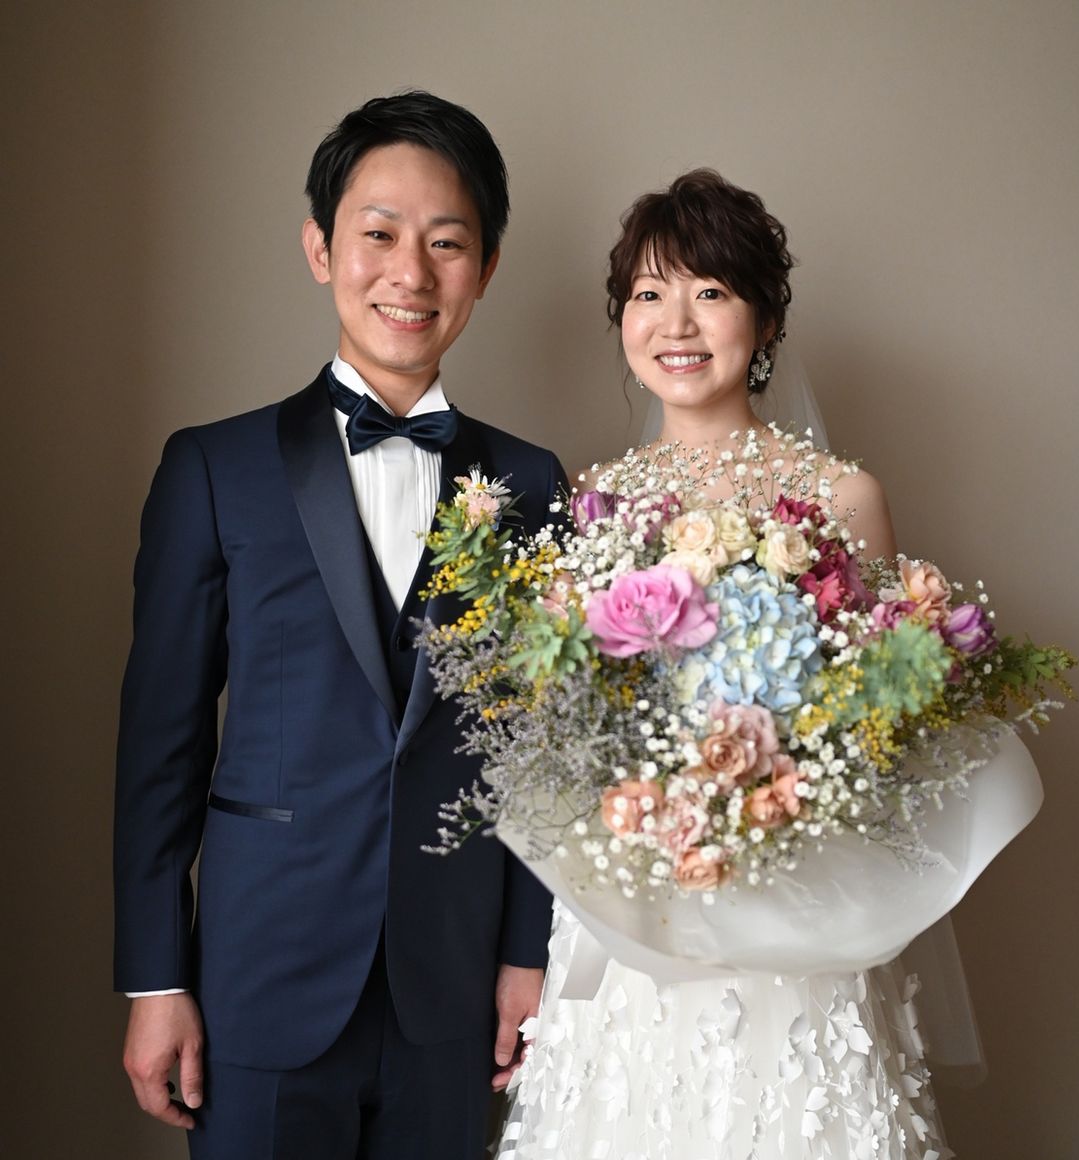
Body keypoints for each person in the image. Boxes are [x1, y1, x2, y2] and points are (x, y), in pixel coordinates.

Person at [114, 91, 568, 1159]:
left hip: (454, 986)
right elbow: (160, 745)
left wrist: (527, 952)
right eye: (379, 234)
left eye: (446, 243)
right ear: (321, 248)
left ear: (485, 268)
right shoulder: (212, 467)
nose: (411, 274)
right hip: (257, 977)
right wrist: (154, 976)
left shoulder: (533, 483)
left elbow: (545, 748)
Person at [500, 170, 951, 1159]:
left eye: (710, 291)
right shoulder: (592, 499)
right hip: (635, 901)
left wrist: (771, 794)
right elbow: (562, 721)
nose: (677, 322)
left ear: (764, 320)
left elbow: (887, 720)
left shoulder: (841, 495)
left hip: (793, 904)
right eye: (648, 293)